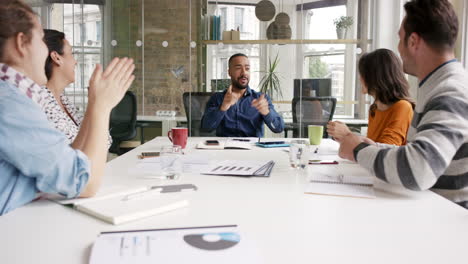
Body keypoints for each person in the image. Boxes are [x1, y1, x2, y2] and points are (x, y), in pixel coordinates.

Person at [0, 0, 135, 215]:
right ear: (21, 43)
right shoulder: (9, 104)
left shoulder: (15, 96)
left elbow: (68, 161)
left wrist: (96, 103)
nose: (45, 51)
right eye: (40, 41)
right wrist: (101, 106)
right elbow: (84, 182)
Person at [337, 0, 468, 209]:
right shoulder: (438, 86)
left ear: (414, 41)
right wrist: (374, 147)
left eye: (400, 38)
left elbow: (420, 168)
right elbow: (419, 152)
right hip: (434, 210)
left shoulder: (450, 92)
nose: (398, 48)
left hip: (449, 221)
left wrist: (359, 150)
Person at [327, 49, 414, 145]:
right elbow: (371, 149)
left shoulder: (403, 107)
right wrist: (346, 139)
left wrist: (348, 135)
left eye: (363, 74)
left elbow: (385, 150)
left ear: (376, 77)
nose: (360, 78)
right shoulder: (374, 108)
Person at [42, 29, 112, 147]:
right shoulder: (42, 102)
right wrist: (95, 104)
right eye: (71, 54)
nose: (75, 62)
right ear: (56, 57)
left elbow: (105, 142)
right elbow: (78, 152)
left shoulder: (63, 100)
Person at [201, 53, 284, 137]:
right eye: (238, 68)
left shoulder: (261, 98)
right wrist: (223, 107)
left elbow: (278, 128)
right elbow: (206, 128)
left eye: (247, 68)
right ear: (229, 72)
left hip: (253, 148)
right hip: (226, 148)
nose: (244, 73)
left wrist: (267, 113)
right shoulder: (217, 98)